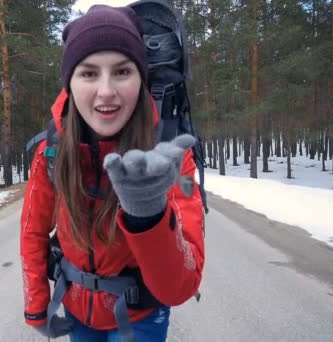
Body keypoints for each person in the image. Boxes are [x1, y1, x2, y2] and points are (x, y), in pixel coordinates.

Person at [20, 4, 205, 341]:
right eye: (89, 73)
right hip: (77, 311)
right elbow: (33, 230)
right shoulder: (53, 148)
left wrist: (147, 214)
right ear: (70, 83)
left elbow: (181, 286)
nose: (106, 92)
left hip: (141, 319)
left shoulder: (171, 153)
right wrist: (37, 307)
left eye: (122, 71)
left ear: (141, 78)